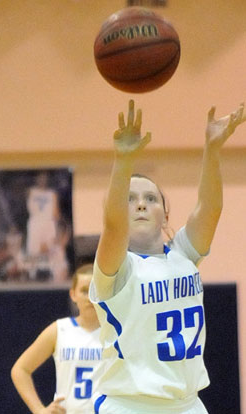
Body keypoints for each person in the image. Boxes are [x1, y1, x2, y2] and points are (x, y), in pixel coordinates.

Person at [89, 100, 246, 414]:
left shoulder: (183, 255)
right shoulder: (115, 269)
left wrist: (212, 148)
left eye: (151, 198)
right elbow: (113, 226)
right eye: (130, 199)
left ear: (165, 215)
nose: (142, 205)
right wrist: (123, 161)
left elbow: (210, 208)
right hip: (128, 405)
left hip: (187, 404)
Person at [11, 263, 103, 414]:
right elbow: (20, 370)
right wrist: (39, 410)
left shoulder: (115, 332)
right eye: (84, 291)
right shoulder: (60, 329)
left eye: (95, 290)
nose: (90, 298)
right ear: (73, 294)